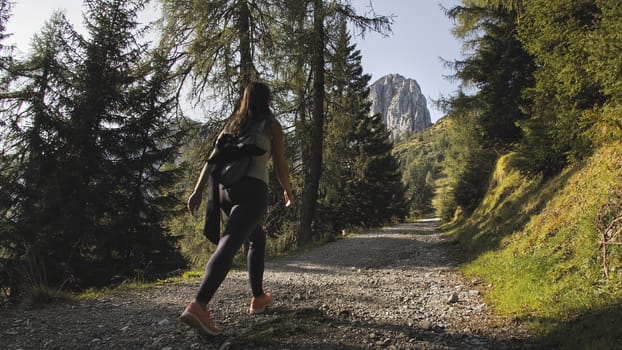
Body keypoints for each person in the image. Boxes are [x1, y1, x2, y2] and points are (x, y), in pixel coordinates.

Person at [180, 82, 294, 336]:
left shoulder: (233, 124)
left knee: (256, 237)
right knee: (230, 242)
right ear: (267, 100)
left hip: (224, 192)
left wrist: (197, 192)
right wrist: (288, 189)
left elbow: (212, 160)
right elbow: (280, 165)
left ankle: (258, 297)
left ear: (244, 99)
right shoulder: (270, 124)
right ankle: (199, 304)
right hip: (252, 191)